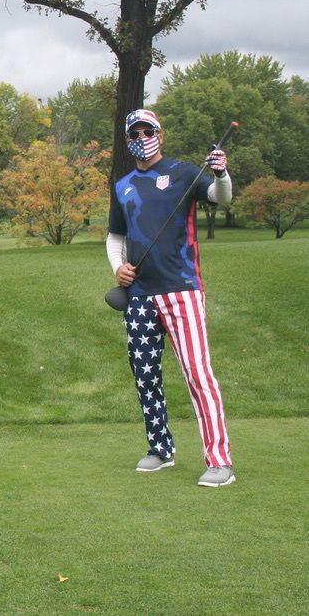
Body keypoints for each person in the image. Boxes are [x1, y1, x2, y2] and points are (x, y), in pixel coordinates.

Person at [106, 108, 235, 487]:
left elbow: (220, 197)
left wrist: (221, 172)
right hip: (140, 297)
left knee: (198, 374)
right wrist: (118, 268)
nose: (142, 137)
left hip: (182, 290)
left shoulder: (184, 173)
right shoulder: (123, 184)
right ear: (129, 138)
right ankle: (160, 449)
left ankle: (219, 460)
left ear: (159, 134)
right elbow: (116, 236)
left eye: (148, 130)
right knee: (145, 375)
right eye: (135, 132)